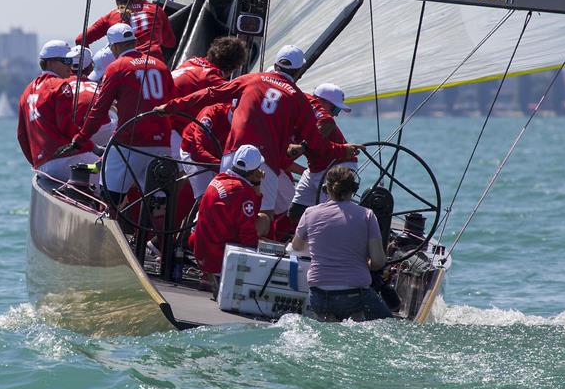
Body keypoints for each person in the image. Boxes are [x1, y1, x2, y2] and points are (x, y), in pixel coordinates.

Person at [156, 44, 361, 233]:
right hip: (265, 161)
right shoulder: (298, 98)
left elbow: (210, 93)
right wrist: (342, 150)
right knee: (265, 214)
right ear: (299, 71)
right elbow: (316, 141)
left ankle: (195, 247)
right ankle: (240, 247)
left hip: (234, 153)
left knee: (217, 201)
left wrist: (170, 107)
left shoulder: (250, 79)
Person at [59, 23, 176, 206]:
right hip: (162, 143)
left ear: (114, 47)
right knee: (159, 203)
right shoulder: (161, 66)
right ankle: (158, 235)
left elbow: (99, 110)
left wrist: (80, 139)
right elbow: (172, 102)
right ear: (134, 42)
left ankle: (106, 231)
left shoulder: (117, 67)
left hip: (129, 143)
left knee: (109, 198)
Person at [291, 166, 392, 322]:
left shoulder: (310, 213)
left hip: (319, 294)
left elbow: (296, 246)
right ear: (354, 189)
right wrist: (364, 264)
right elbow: (378, 262)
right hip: (354, 295)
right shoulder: (367, 215)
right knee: (388, 322)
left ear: (326, 189)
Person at [17, 40, 99, 181]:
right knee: (114, 173)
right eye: (65, 60)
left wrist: (37, 163)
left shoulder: (26, 92)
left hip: (42, 166)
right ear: (50, 63)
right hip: (67, 160)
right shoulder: (61, 86)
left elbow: (21, 135)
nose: (70, 65)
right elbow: (67, 127)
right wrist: (94, 147)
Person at [192, 144, 264, 292]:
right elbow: (248, 232)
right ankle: (220, 274)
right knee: (264, 221)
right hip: (217, 258)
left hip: (200, 250)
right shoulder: (242, 191)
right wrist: (260, 257)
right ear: (254, 170)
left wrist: (256, 183)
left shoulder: (219, 178)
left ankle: (208, 273)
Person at [288, 82, 358, 225]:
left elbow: (318, 147)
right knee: (296, 213)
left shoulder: (324, 122)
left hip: (338, 168)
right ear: (320, 102)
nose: (335, 115)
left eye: (337, 111)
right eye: (335, 109)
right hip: (315, 168)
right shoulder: (306, 111)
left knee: (331, 216)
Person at [170, 37, 247, 158]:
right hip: (171, 131)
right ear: (234, 67)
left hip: (152, 120)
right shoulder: (214, 80)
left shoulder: (191, 62)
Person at [76, 0, 175, 60]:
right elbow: (170, 42)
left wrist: (88, 63)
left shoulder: (111, 16)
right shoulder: (155, 10)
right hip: (154, 62)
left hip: (127, 65)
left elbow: (80, 39)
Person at [178, 101, 234, 199]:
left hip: (216, 156)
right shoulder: (212, 114)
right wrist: (223, 166)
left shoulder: (246, 122)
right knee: (206, 198)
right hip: (192, 151)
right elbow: (197, 151)